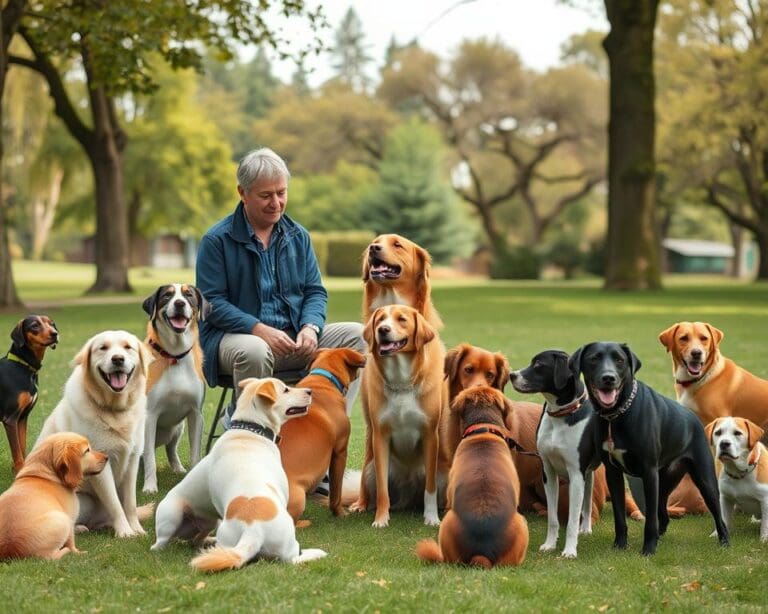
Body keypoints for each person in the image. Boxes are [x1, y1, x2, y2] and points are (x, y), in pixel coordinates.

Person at [196, 147, 365, 427]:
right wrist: (258, 328)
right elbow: (211, 302)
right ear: (243, 193)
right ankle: (247, 422)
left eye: (281, 193)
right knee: (255, 349)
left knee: (359, 336)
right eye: (266, 195)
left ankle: (330, 425)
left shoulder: (299, 236)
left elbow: (314, 291)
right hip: (238, 342)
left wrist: (310, 327)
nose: (276, 202)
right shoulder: (217, 240)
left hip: (295, 341)